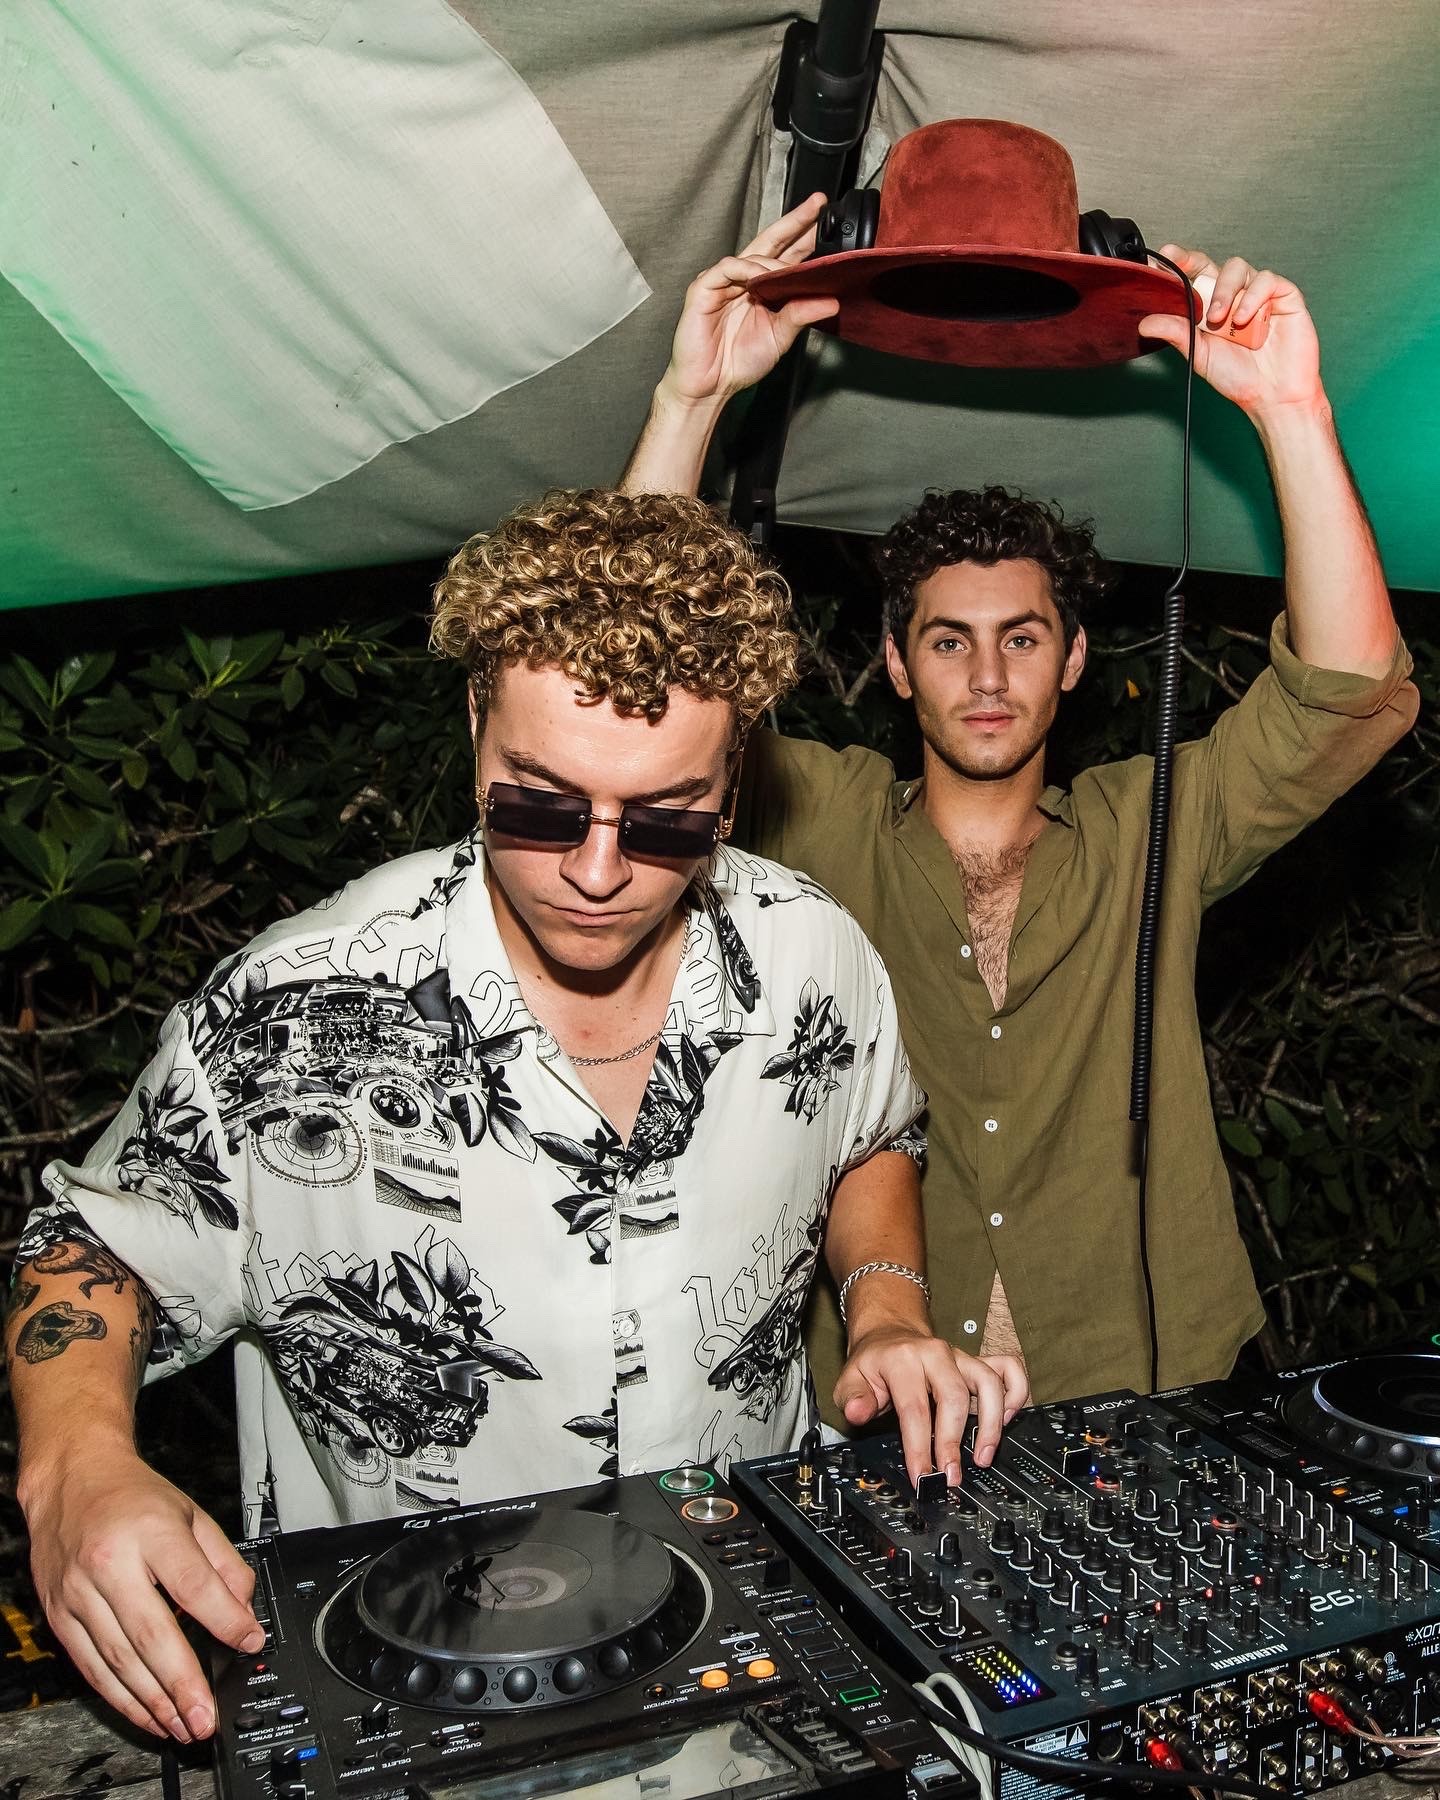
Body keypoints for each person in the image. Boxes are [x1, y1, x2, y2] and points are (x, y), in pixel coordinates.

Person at [6, 487, 1026, 1747]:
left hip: (747, 1673)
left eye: (666, 818)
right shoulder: (296, 1005)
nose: (597, 870)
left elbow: (870, 1133)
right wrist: (74, 1471)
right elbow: (87, 1249)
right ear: (476, 725)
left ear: (736, 778)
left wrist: (887, 1310)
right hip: (407, 1702)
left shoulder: (810, 953)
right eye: (539, 805)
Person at [621, 193, 1419, 1416]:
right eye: (949, 640)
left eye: (1023, 638)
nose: (988, 676)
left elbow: (1350, 690)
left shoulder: (1153, 826)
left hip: (1147, 1385)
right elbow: (634, 694)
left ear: (1075, 658)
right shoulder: (822, 819)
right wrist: (691, 402)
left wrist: (1291, 410)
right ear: (897, 667)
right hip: (888, 1402)